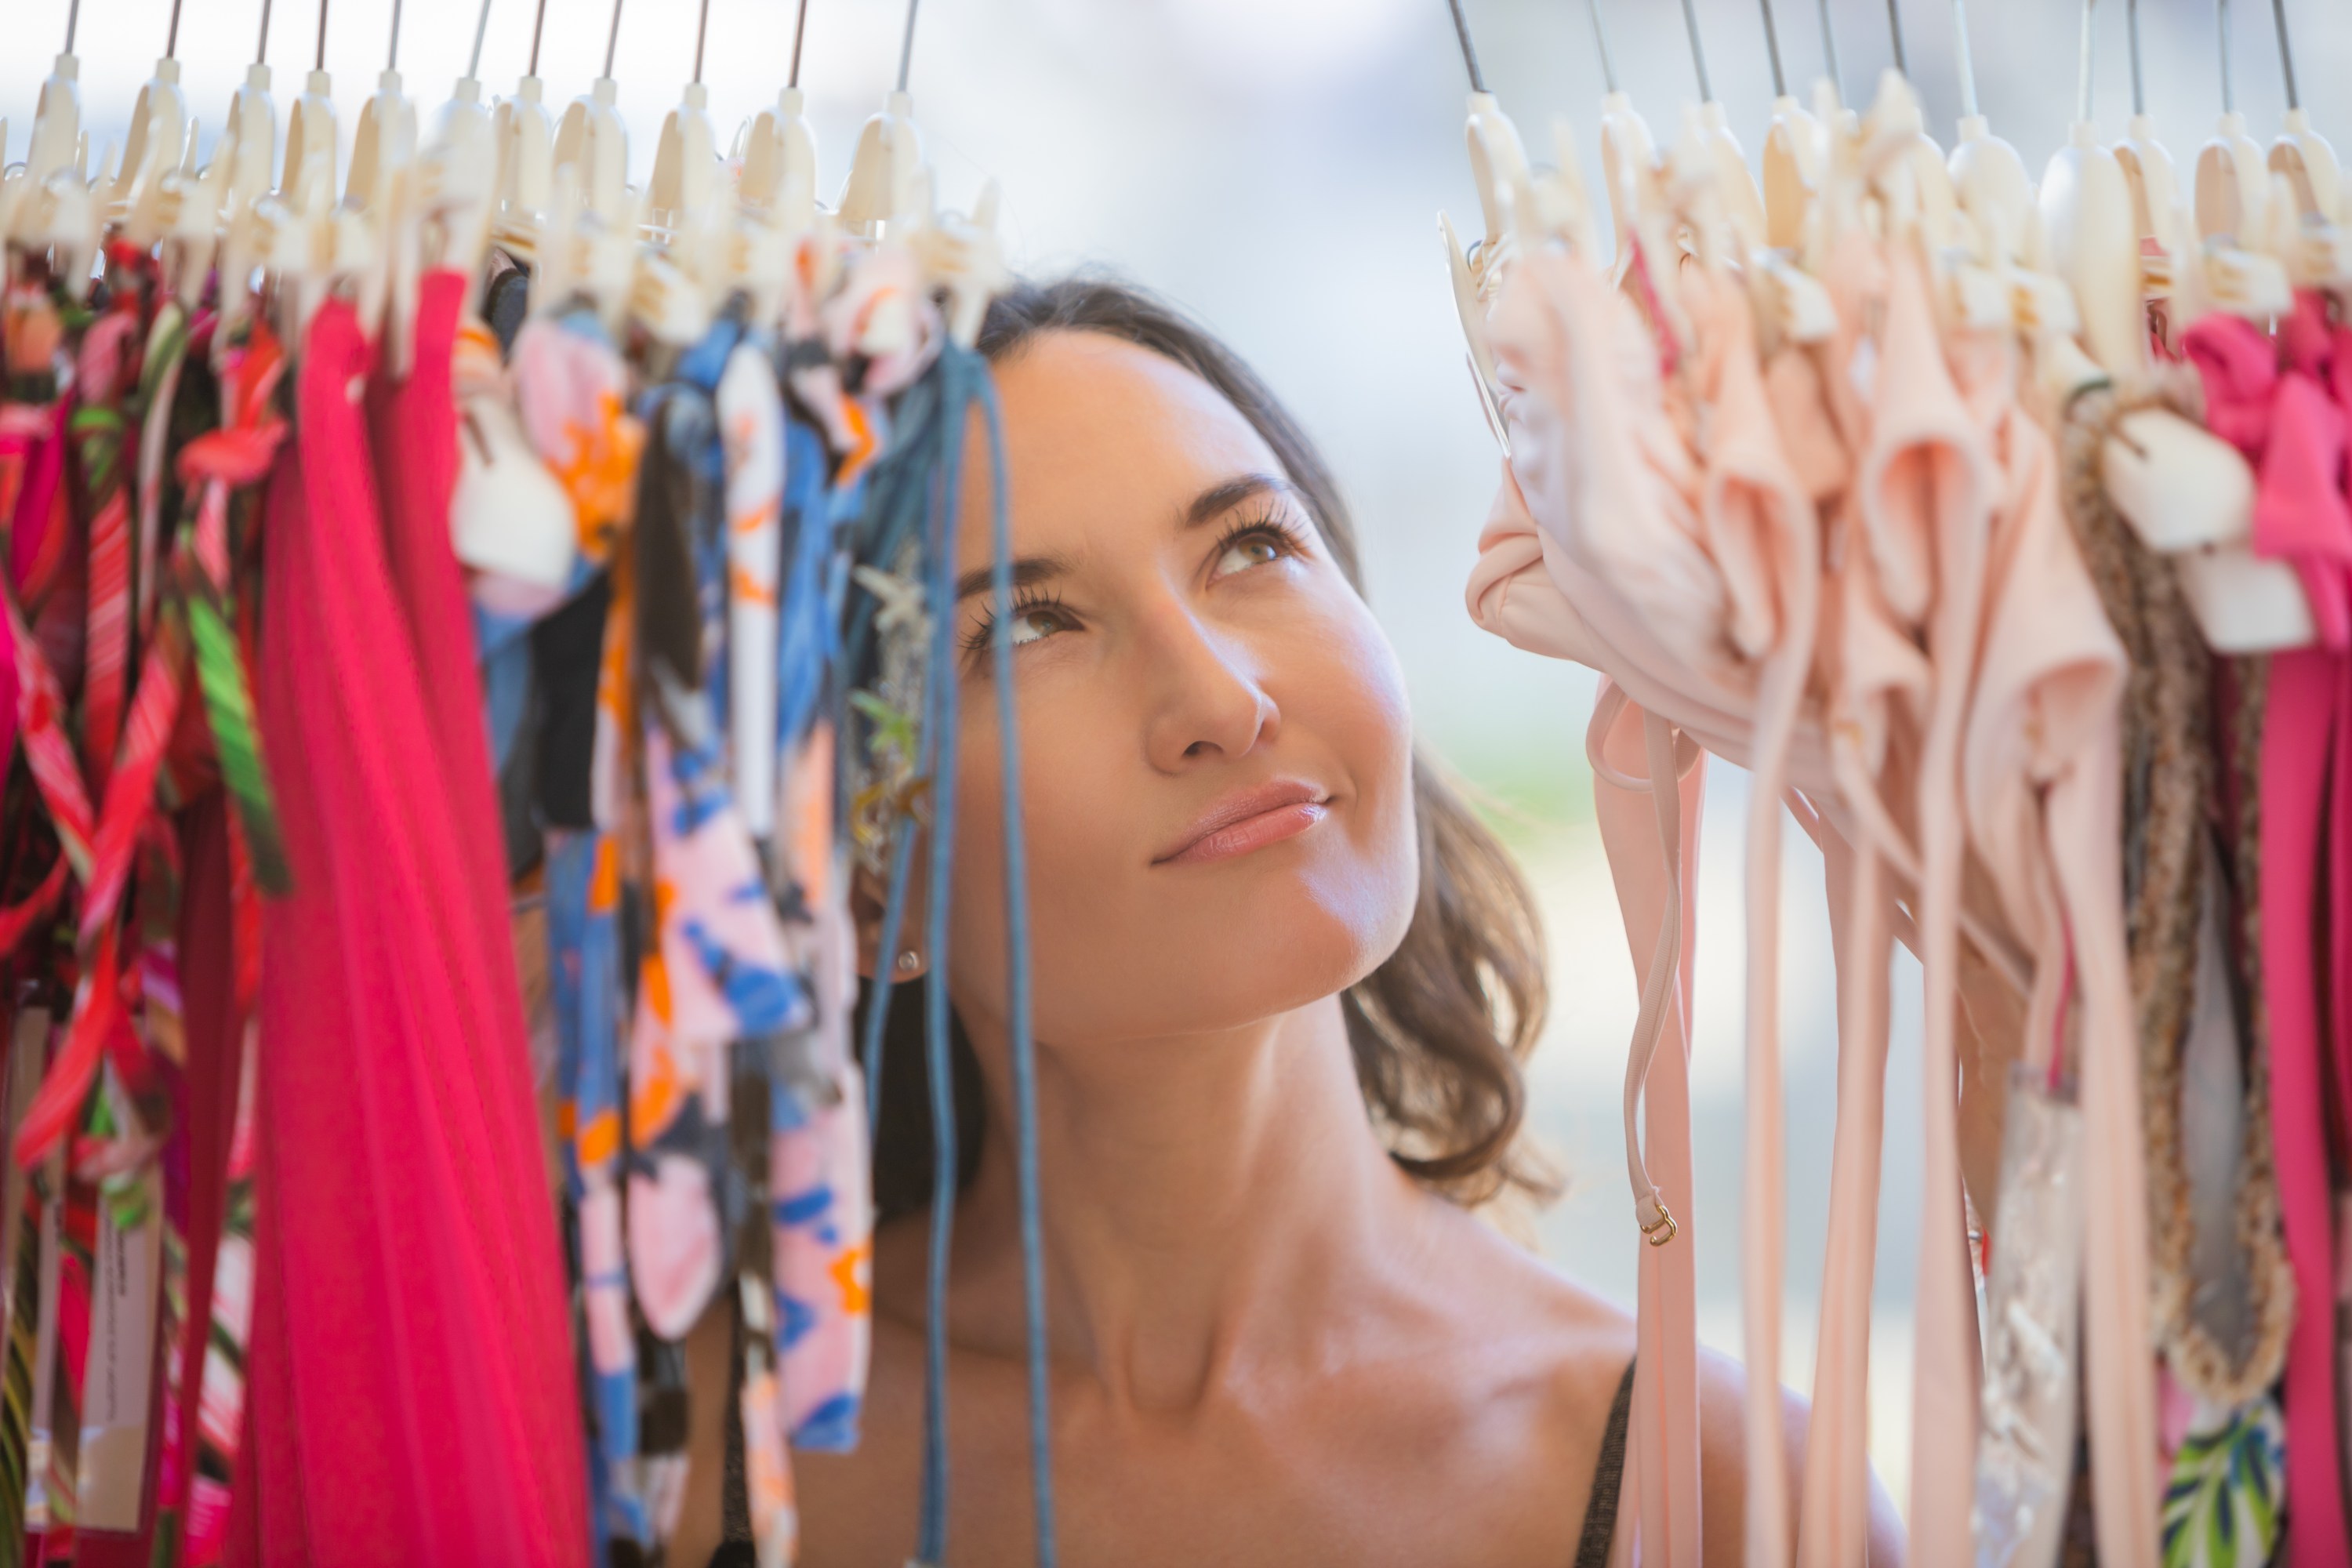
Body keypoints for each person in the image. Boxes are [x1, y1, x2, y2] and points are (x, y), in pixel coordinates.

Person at [716, 278, 1905, 1565]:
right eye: (1025, 626)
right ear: (868, 869)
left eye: (1253, 547)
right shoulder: (689, 1443)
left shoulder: (1724, 1498)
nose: (1222, 702)